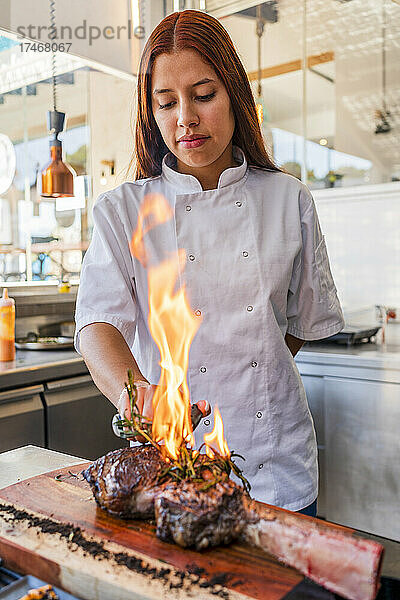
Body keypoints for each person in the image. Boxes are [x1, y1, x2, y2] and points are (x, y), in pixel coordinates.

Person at [75, 10, 344, 517]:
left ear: (235, 95)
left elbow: (300, 324)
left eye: (203, 95)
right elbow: (97, 325)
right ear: (149, 114)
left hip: (276, 464)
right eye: (167, 103)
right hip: (173, 467)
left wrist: (255, 366)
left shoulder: (289, 200)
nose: (186, 119)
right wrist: (137, 399)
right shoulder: (122, 211)